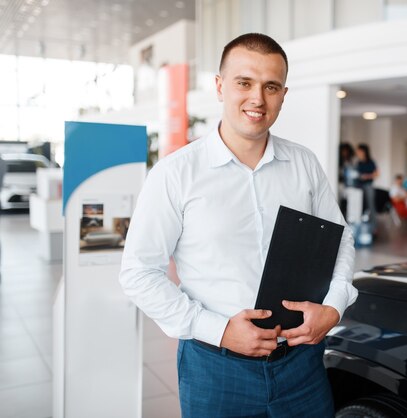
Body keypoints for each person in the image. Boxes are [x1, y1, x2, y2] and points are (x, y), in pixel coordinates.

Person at [119, 33, 358, 417]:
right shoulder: (175, 174)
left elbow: (339, 239)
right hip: (216, 368)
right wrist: (220, 330)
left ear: (283, 93)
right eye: (244, 83)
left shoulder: (304, 164)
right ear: (219, 87)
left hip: (301, 363)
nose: (257, 99)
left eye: (271, 86)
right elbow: (138, 273)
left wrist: (334, 305)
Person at [355, 143, 378, 226]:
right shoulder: (358, 163)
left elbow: (376, 174)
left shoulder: (371, 162)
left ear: (364, 151)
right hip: (358, 187)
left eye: (359, 151)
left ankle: (373, 227)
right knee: (359, 206)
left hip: (368, 186)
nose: (357, 152)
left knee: (371, 206)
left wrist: (367, 176)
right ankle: (360, 226)